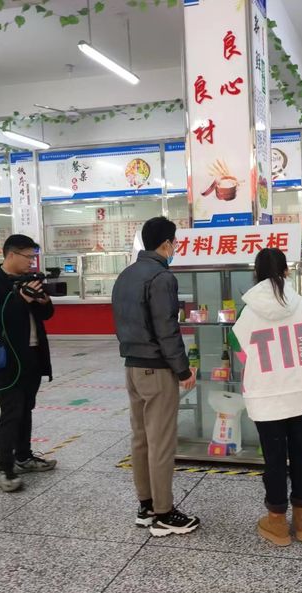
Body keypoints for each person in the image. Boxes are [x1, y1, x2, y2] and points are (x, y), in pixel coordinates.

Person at [230, 248, 302, 546]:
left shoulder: (248, 312)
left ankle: (276, 522)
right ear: (287, 271)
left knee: (274, 459)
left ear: (256, 275)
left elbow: (238, 348)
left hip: (268, 396)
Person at [112, 216, 199, 538]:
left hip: (132, 367)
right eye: (174, 242)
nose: (175, 248)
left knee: (141, 439)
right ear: (165, 243)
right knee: (161, 442)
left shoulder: (126, 275)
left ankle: (146, 506)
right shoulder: (162, 277)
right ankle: (164, 513)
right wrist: (182, 369)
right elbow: (167, 329)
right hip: (157, 369)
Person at [0, 234, 57, 493]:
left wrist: (43, 300)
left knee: (26, 409)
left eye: (34, 257)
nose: (32, 262)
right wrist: (21, 298)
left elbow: (45, 315)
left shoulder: (28, 279)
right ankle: (5, 468)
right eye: (28, 257)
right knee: (11, 412)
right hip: (6, 359)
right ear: (11, 254)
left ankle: (23, 456)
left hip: (32, 355)